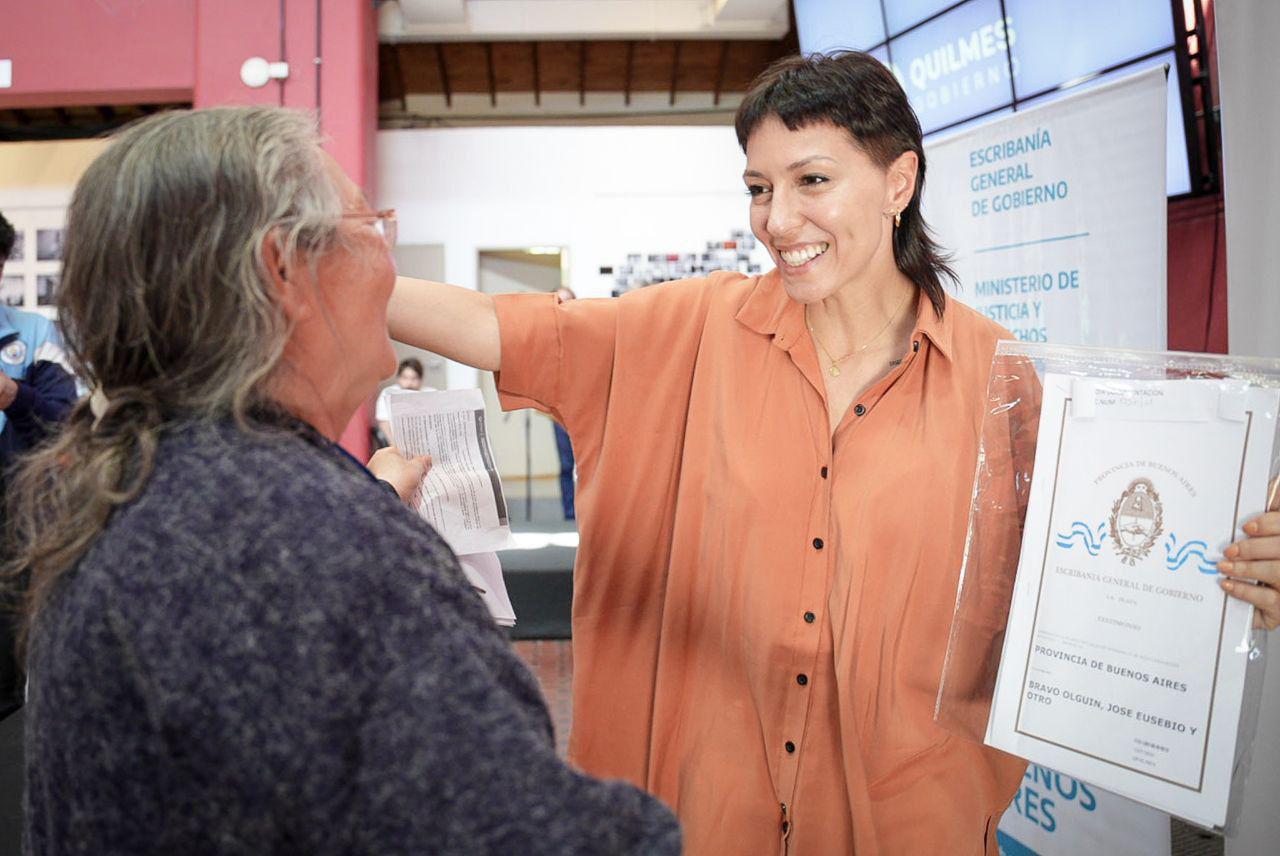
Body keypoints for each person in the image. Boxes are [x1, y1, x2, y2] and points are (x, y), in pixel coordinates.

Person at [386, 51, 1280, 854]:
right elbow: (488, 325)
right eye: (758, 187)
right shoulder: (684, 332)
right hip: (702, 815)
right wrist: (326, 263)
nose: (777, 220)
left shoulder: (1000, 382)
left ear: (899, 182)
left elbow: (1106, 579)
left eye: (811, 180)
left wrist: (1235, 577)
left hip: (905, 820)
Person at [2, 106, 680, 855]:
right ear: (282, 267)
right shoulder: (303, 541)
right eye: (371, 228)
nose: (390, 270)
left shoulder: (136, 480)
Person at [0, 211, 78, 717]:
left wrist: (14, 395)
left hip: (13, 534)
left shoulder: (33, 334)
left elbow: (66, 424)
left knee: (8, 675)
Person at [552, 287, 577, 520]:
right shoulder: (548, 337)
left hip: (584, 411)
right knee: (566, 464)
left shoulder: (584, 333)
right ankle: (569, 511)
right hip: (559, 412)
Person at [374, 356, 424, 441]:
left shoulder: (429, 393)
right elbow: (383, 422)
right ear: (399, 378)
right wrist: (395, 446)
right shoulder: (388, 394)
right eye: (405, 378)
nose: (409, 383)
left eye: (414, 378)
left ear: (420, 380)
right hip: (398, 442)